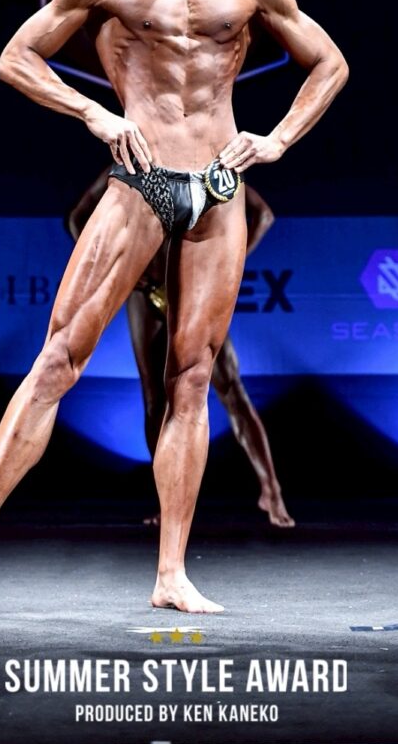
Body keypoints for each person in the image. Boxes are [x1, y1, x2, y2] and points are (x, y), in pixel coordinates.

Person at [0, 0, 347, 618]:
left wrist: (279, 138)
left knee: (193, 377)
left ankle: (171, 573)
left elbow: (330, 62)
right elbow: (16, 57)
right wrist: (93, 112)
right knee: (59, 361)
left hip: (219, 186)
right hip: (142, 181)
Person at [67, 168, 294, 527]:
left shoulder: (204, 163)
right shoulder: (130, 164)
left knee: (230, 390)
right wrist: (113, 266)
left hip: (193, 290)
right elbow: (77, 218)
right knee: (155, 398)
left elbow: (263, 215)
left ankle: (271, 489)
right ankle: (168, 503)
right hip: (147, 291)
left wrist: (228, 263)